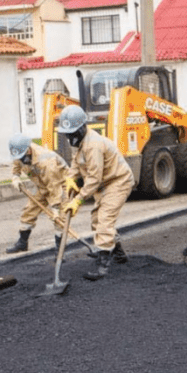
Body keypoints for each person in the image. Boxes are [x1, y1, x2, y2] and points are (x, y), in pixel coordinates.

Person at [58, 105, 133, 281]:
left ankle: (103, 265)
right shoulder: (80, 142)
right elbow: (76, 163)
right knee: (96, 219)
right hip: (107, 182)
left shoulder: (93, 145)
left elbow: (93, 179)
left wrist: (78, 200)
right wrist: (70, 179)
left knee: (105, 219)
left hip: (118, 181)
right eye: (67, 133)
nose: (69, 137)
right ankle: (118, 253)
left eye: (72, 133)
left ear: (82, 127)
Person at [5, 133, 70, 253]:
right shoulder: (20, 153)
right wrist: (15, 176)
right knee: (29, 210)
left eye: (21, 156)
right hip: (42, 185)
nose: (19, 159)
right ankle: (22, 243)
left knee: (59, 218)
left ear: (28, 151)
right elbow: (17, 163)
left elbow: (54, 186)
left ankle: (60, 251)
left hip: (61, 185)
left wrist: (55, 208)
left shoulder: (45, 161)